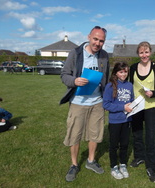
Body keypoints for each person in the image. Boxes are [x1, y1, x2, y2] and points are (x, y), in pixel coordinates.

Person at [60, 26, 110, 182]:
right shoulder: (75, 53)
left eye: (101, 41)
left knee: (95, 134)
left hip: (97, 103)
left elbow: (106, 78)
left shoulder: (104, 56)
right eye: (95, 39)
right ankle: (74, 165)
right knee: (75, 135)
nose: (98, 43)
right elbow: (64, 75)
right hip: (78, 102)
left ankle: (90, 160)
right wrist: (74, 81)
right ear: (89, 37)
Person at [129, 41, 155, 183]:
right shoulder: (133, 67)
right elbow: (128, 85)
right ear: (138, 54)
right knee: (137, 134)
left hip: (151, 107)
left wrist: (154, 93)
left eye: (146, 52)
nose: (144, 55)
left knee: (150, 138)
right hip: (136, 107)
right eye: (141, 52)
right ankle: (139, 157)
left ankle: (152, 167)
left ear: (150, 52)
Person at [103, 62, 134, 179]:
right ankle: (113, 166)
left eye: (126, 71)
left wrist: (133, 105)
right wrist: (122, 107)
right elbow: (106, 104)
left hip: (127, 121)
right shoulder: (110, 86)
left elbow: (131, 99)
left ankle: (123, 164)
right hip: (115, 121)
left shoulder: (130, 85)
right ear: (116, 72)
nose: (124, 74)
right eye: (121, 72)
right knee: (114, 145)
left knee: (125, 144)